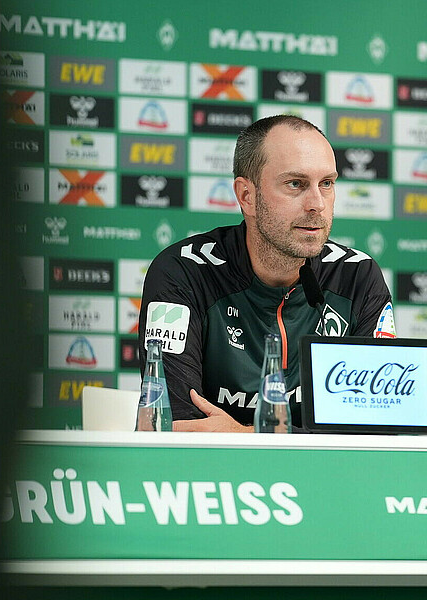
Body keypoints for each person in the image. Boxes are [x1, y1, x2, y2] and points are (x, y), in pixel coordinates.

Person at [138, 115, 396, 432]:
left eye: (326, 184)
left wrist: (241, 433)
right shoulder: (184, 272)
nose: (317, 204)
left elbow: (375, 432)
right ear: (247, 196)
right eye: (295, 184)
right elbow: (172, 425)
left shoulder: (356, 275)